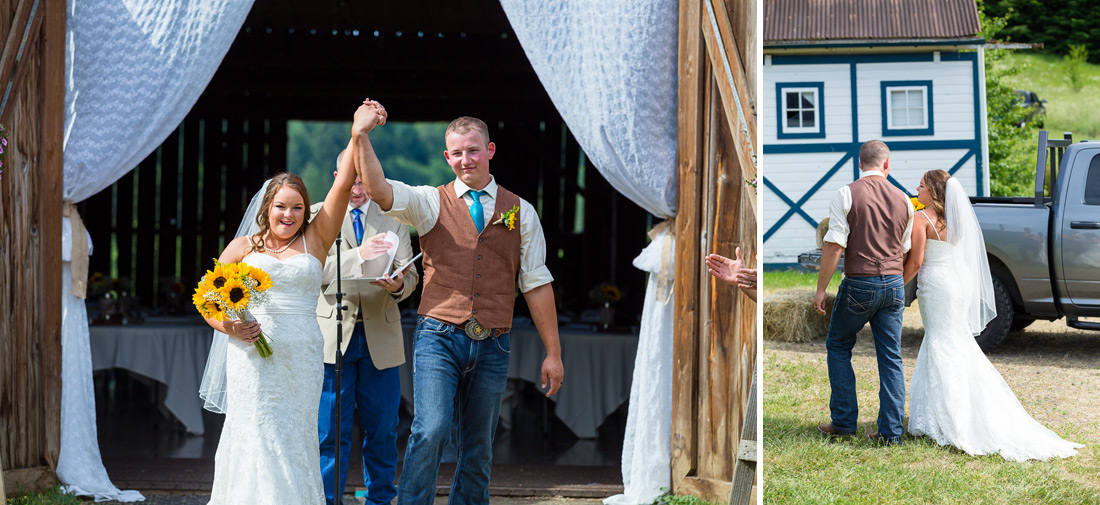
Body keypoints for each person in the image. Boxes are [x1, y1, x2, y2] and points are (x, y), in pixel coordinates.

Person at [350, 104, 565, 505]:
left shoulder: (522, 211)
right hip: (439, 335)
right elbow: (379, 190)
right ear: (446, 158)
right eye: (457, 153)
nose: (466, 160)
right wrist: (360, 135)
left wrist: (553, 353)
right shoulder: (430, 201)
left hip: (494, 341)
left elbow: (535, 284)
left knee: (479, 445)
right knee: (430, 430)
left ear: (490, 151)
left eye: (473, 150)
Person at [198, 102, 387, 504]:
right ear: (267, 208)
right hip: (250, 357)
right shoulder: (242, 247)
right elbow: (209, 300)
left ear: (307, 210)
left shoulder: (315, 239)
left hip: (300, 355)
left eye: (297, 207)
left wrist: (359, 132)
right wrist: (232, 327)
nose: (288, 214)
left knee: (296, 435)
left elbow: (343, 184)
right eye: (281, 206)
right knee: (254, 431)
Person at [902, 169, 1082, 461]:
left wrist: (899, 283)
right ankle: (954, 409)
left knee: (940, 342)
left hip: (936, 284)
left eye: (921, 185)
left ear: (933, 191)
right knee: (955, 341)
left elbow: (917, 260)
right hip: (958, 283)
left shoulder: (922, 219)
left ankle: (948, 418)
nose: (917, 189)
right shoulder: (957, 220)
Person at [312, 158, 419, 505]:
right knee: (330, 432)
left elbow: (411, 276)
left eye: (364, 183)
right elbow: (312, 269)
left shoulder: (396, 218)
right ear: (337, 177)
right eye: (351, 182)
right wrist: (358, 255)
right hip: (332, 338)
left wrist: (399, 285)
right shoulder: (317, 214)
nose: (357, 190)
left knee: (384, 431)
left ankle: (381, 500)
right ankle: (329, 500)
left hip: (381, 338)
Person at [813, 140, 913, 444]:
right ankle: (890, 433)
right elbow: (905, 248)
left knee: (839, 345)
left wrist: (821, 289)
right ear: (886, 164)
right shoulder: (905, 200)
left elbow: (834, 245)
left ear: (859, 164)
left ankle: (844, 422)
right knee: (891, 357)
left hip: (859, 283)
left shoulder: (846, 194)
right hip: (895, 284)